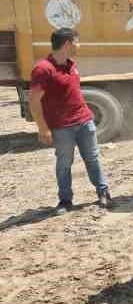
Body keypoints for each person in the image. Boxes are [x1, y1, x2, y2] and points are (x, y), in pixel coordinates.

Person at [28, 28, 111, 215]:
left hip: (84, 122)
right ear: (67, 44)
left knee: (93, 158)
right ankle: (65, 200)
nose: (79, 46)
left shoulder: (71, 64)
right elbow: (34, 100)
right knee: (64, 164)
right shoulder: (43, 69)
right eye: (77, 42)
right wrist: (43, 128)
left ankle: (103, 191)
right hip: (61, 128)